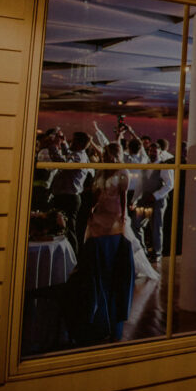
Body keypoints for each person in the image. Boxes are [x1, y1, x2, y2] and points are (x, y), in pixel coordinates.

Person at [68, 142, 134, 344]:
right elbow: (96, 194)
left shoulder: (123, 171)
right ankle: (96, 313)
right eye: (108, 154)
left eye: (113, 155)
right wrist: (91, 211)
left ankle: (111, 318)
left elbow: (124, 195)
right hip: (99, 216)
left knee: (111, 265)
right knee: (97, 266)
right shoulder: (101, 172)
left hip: (114, 218)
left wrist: (123, 218)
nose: (110, 158)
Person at [139, 140, 174, 262]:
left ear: (159, 152)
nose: (152, 153)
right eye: (150, 150)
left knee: (156, 226)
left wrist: (156, 195)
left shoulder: (164, 166)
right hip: (145, 200)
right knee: (137, 224)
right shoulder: (146, 164)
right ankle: (143, 250)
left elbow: (170, 185)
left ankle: (157, 253)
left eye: (154, 151)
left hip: (159, 200)